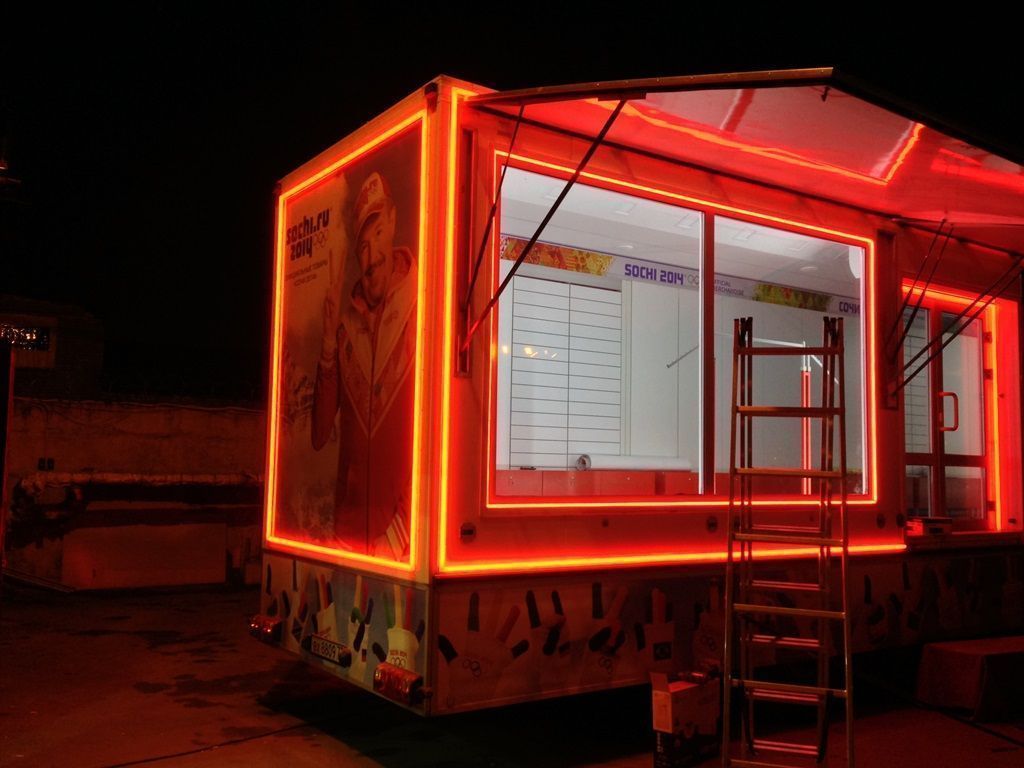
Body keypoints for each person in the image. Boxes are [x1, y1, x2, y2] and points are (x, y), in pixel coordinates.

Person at [311, 171, 416, 559]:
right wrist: (327, 344)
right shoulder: (345, 331)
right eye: (362, 244)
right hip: (348, 536)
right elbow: (320, 433)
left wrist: (400, 533)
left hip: (400, 542)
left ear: (393, 220)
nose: (371, 255)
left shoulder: (421, 308)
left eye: (377, 231)